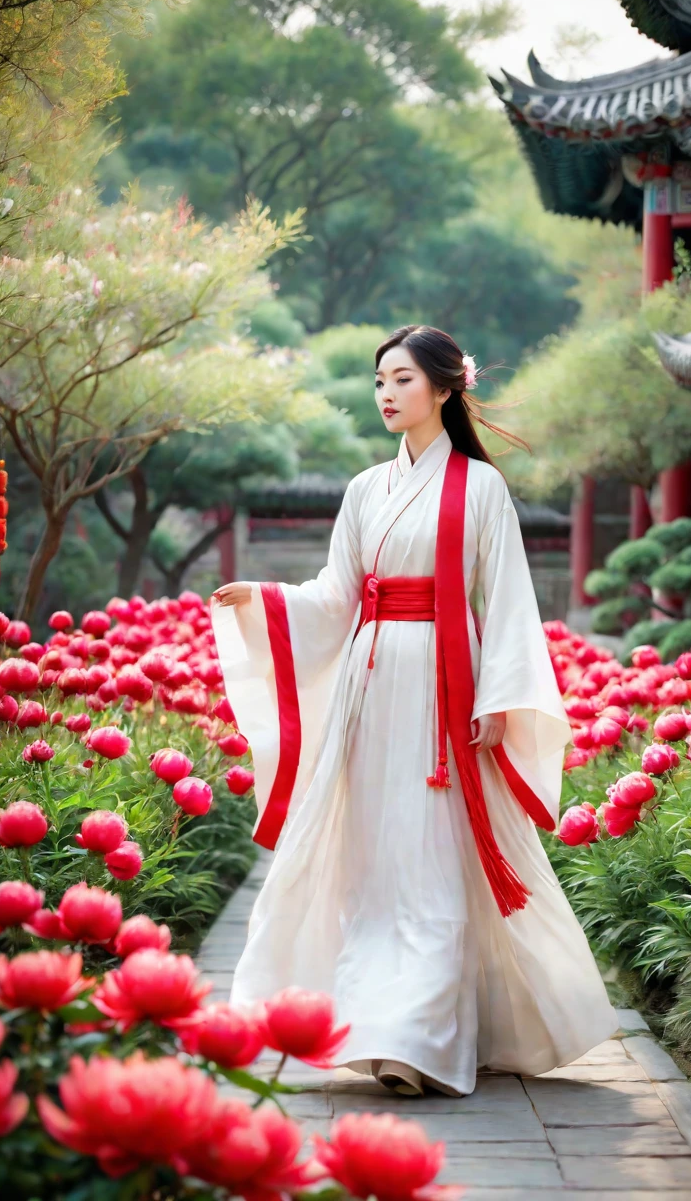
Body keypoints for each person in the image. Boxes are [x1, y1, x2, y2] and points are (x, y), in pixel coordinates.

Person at [209, 324, 619, 1098]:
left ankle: (414, 1041)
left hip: (445, 686)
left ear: (442, 388)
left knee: (430, 862)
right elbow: (336, 595)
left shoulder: (481, 488)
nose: (386, 395)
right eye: (379, 382)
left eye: (401, 380)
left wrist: (498, 698)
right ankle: (371, 1025)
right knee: (373, 860)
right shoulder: (366, 489)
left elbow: (504, 603)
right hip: (371, 685)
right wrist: (265, 601)